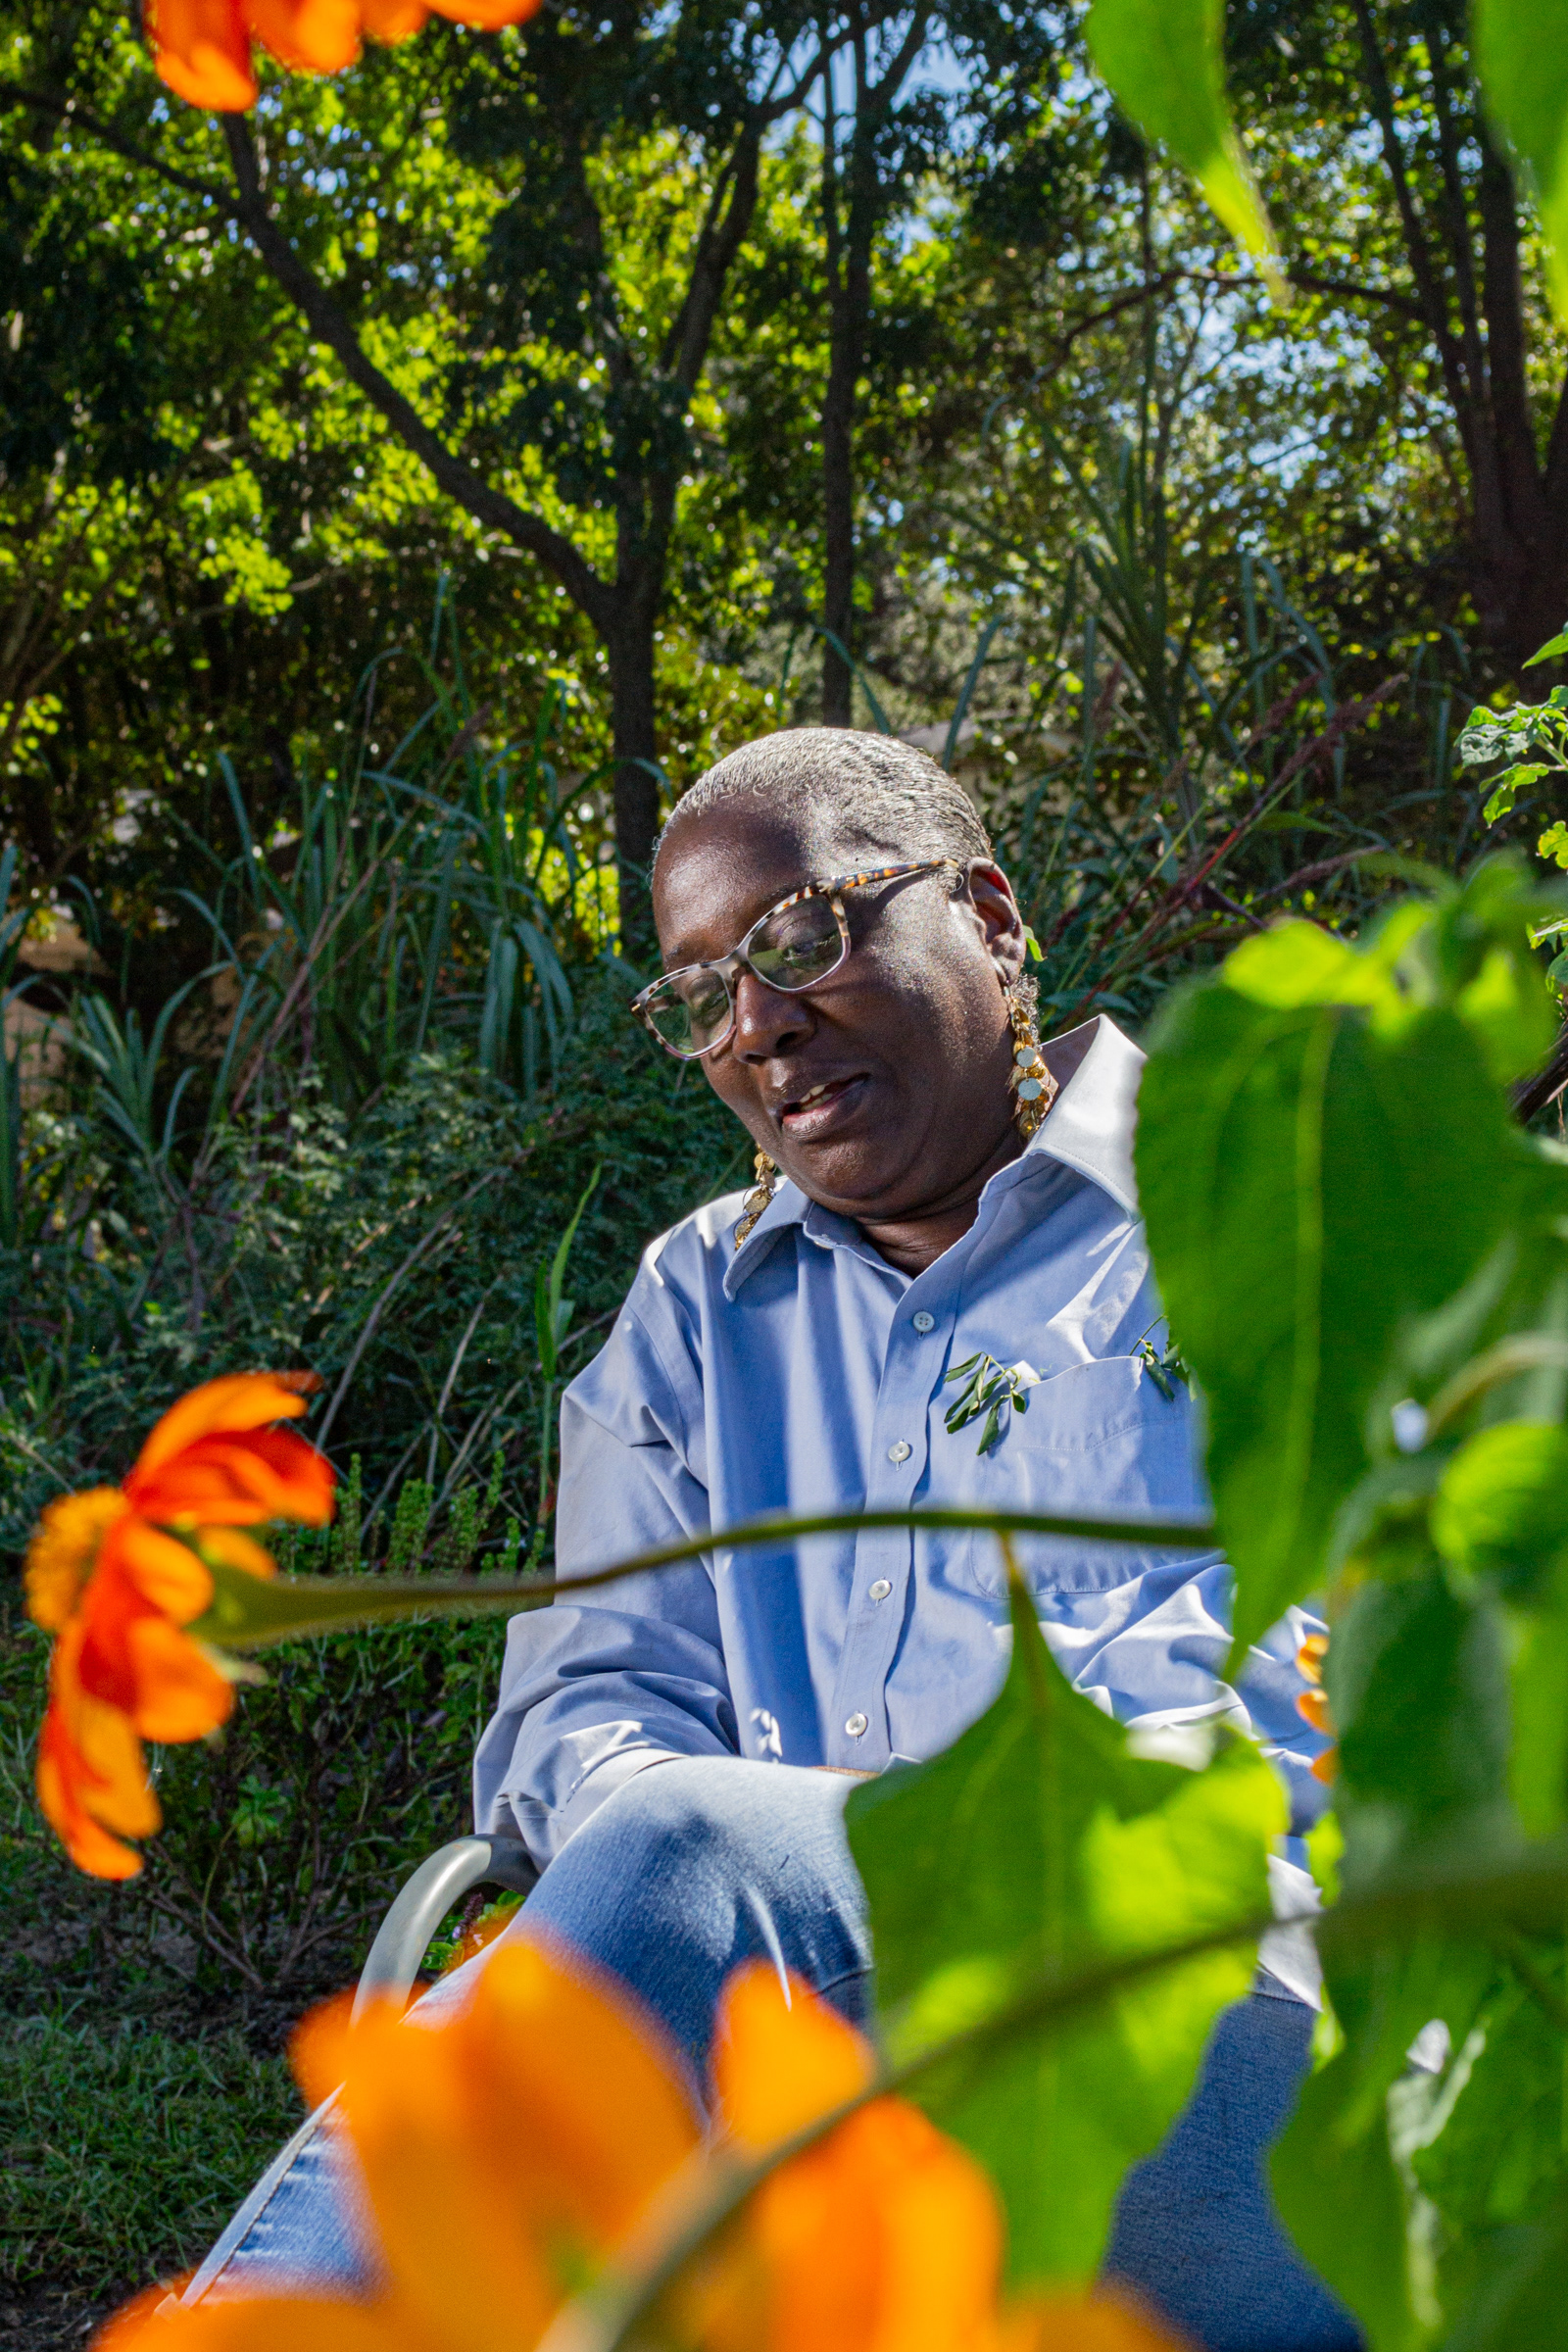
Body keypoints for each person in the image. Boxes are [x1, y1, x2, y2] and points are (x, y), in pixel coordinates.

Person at [185, 731, 1356, 2352]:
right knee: (679, 1865)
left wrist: (806, 1863)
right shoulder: (694, 1307)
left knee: (698, 1852)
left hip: (1244, 2059)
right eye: (700, 993)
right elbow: (587, 1704)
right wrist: (754, 1909)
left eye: (802, 937)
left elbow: (1337, 1701)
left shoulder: (1268, 1207)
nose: (755, 1023)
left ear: (989, 918)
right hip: (803, 2096)